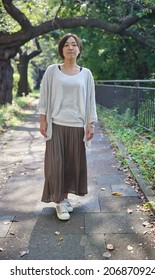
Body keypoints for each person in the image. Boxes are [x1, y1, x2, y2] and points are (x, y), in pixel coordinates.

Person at [38, 33, 97, 221]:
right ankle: (59, 201)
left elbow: (90, 101)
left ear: (79, 49)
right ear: (61, 49)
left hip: (77, 125)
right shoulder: (52, 70)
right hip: (56, 125)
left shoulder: (86, 74)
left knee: (72, 164)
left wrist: (90, 124)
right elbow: (44, 96)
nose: (70, 47)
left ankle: (65, 198)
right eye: (66, 45)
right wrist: (42, 120)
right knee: (56, 164)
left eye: (74, 44)